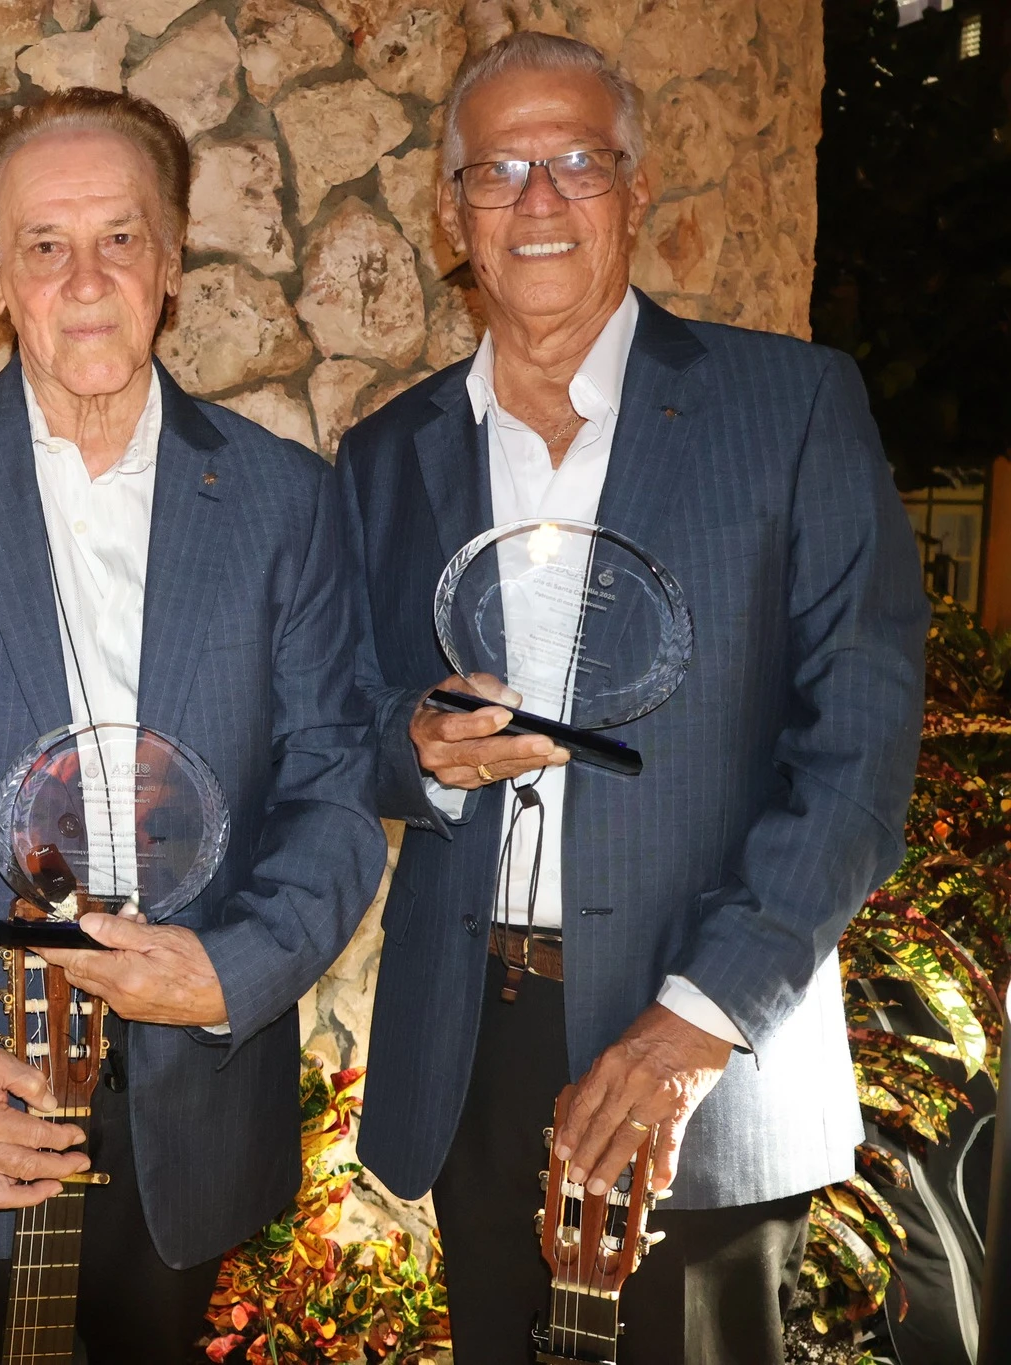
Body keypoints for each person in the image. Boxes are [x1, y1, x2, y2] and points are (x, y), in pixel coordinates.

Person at [341, 32, 929, 1364]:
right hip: (473, 1042)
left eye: (575, 162)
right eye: (498, 170)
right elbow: (344, 722)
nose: (537, 200)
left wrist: (695, 1021)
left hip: (711, 1042)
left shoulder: (789, 407)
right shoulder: (385, 454)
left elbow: (856, 757)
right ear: (451, 211)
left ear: (636, 186)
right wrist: (417, 748)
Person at [0, 88, 386, 1365]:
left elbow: (333, 788)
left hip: (186, 1112)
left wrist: (232, 971)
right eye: (43, 245)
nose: (84, 279)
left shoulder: (284, 501)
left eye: (119, 238)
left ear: (170, 263)